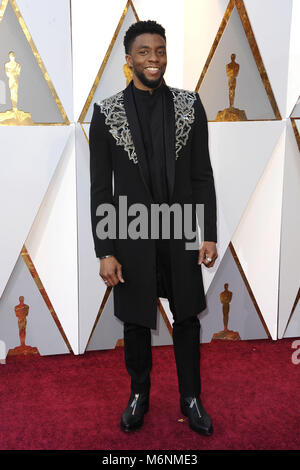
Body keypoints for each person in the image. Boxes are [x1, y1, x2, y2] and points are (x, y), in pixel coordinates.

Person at [89, 20, 218, 436]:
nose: (154, 59)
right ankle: (139, 395)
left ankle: (191, 397)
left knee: (187, 319)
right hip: (131, 232)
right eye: (144, 52)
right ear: (129, 60)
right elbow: (100, 187)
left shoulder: (188, 105)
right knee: (135, 321)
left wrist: (208, 233)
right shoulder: (106, 113)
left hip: (179, 230)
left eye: (159, 51)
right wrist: (104, 249)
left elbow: (202, 176)